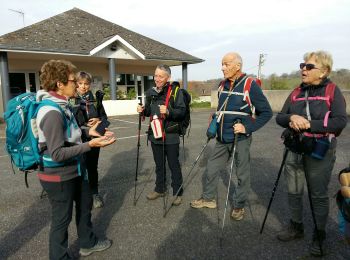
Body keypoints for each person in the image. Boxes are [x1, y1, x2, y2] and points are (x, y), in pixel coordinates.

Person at [36, 60, 116, 259]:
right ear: (59, 84)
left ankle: (87, 243)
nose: (77, 84)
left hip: (75, 170)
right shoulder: (51, 112)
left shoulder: (63, 106)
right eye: (73, 80)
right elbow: (57, 153)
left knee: (84, 205)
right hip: (58, 176)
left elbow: (71, 132)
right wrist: (90, 145)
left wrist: (91, 132)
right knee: (61, 221)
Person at [275, 51, 347, 256]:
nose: (303, 69)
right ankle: (296, 226)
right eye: (302, 65)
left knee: (317, 194)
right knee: (293, 190)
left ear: (323, 71)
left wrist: (309, 124)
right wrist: (292, 118)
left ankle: (320, 233)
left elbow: (340, 121)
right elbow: (280, 117)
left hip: (320, 148)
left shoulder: (333, 91)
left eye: (309, 67)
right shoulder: (297, 91)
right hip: (295, 147)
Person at [190, 52, 272, 221]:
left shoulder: (250, 85)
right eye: (222, 64)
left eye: (226, 64)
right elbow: (223, 110)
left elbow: (266, 113)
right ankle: (208, 199)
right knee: (211, 168)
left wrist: (246, 126)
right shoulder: (222, 85)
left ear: (237, 66)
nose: (222, 68)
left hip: (240, 138)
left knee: (241, 174)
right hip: (222, 138)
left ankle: (239, 205)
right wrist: (215, 120)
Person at [137, 64, 186, 206]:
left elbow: (182, 112)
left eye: (160, 76)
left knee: (173, 164)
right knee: (159, 164)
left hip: (171, 134)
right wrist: (142, 110)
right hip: (155, 133)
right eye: (156, 75)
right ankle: (160, 189)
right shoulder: (150, 92)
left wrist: (169, 111)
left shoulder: (176, 92)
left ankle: (177, 192)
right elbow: (148, 112)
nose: (157, 79)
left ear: (168, 78)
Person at [72, 71, 108, 208]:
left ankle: (94, 193)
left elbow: (105, 119)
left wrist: (99, 119)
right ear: (76, 84)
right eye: (80, 83)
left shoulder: (96, 100)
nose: (83, 87)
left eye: (86, 84)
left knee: (92, 168)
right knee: (79, 168)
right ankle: (80, 195)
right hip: (77, 141)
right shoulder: (71, 100)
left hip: (94, 141)